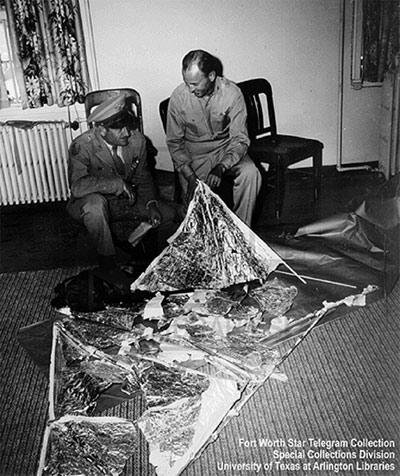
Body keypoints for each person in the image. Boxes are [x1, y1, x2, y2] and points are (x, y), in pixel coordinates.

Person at [67, 93, 177, 286]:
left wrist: (151, 204)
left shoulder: (137, 141)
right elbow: (77, 187)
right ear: (101, 130)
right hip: (93, 201)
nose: (127, 132)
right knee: (95, 205)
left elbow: (144, 177)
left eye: (128, 125)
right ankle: (108, 265)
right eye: (119, 128)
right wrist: (115, 183)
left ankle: (156, 264)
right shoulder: (82, 146)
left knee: (169, 214)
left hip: (128, 200)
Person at [166, 49, 261, 226]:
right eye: (187, 83)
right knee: (193, 217)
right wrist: (191, 177)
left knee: (251, 173)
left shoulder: (232, 93)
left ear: (211, 76)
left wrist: (222, 166)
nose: (190, 89)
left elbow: (240, 139)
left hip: (226, 148)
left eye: (194, 83)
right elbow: (175, 143)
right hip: (194, 153)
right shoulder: (179, 97)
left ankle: (241, 231)